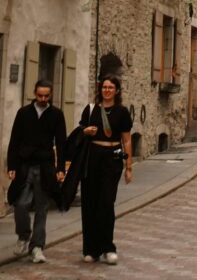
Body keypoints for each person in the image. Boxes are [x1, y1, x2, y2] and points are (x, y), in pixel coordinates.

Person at [7, 79, 66, 264]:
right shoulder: (23, 113)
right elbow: (14, 140)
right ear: (34, 93)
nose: (42, 98)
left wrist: (60, 169)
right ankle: (23, 236)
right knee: (20, 203)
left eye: (46, 96)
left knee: (42, 208)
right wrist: (12, 166)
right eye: (39, 95)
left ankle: (37, 246)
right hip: (25, 164)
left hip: (45, 166)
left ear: (50, 95)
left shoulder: (56, 114)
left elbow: (61, 142)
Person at [78, 75, 133, 264]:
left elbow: (126, 139)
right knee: (90, 202)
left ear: (117, 91)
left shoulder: (122, 112)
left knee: (106, 202)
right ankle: (91, 249)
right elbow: (80, 131)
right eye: (104, 87)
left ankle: (108, 246)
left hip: (114, 154)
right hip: (93, 155)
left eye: (111, 87)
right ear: (100, 89)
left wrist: (128, 166)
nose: (107, 90)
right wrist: (86, 132)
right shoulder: (91, 110)